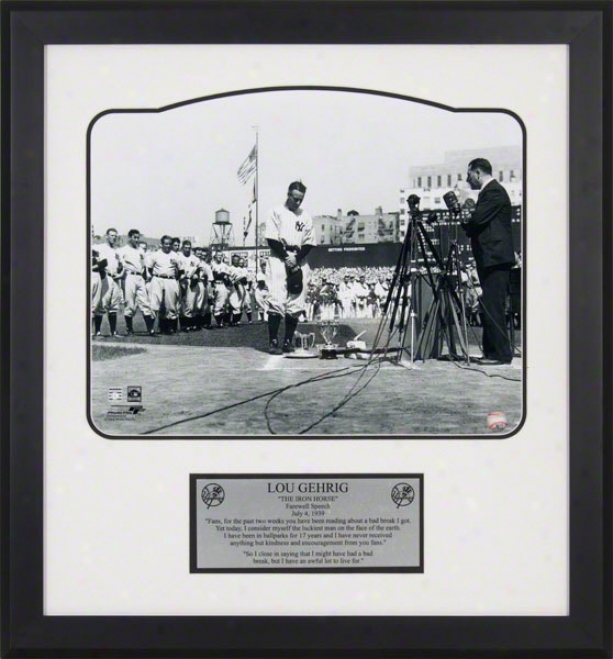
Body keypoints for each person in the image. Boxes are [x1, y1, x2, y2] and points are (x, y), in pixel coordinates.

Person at [461, 158, 515, 364]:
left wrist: (466, 214)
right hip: (491, 258)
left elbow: (476, 221)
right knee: (490, 304)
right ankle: (492, 352)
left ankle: (501, 354)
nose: (468, 179)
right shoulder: (491, 192)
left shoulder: (493, 192)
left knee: (493, 306)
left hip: (495, 258)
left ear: (478, 172)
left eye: (469, 174)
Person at [265, 180, 314, 354]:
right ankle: (273, 341)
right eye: (295, 199)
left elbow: (309, 243)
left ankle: (287, 341)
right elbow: (271, 239)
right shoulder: (276, 212)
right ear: (288, 194)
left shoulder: (305, 216)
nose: (298, 202)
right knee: (277, 299)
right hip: (279, 257)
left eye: (301, 199)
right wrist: (287, 258)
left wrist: (296, 259)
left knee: (296, 301)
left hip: (299, 257)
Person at [117, 229, 156, 336]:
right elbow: (120, 264)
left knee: (144, 301)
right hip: (129, 276)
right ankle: (129, 328)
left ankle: (150, 329)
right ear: (129, 237)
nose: (136, 239)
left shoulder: (140, 251)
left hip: (140, 276)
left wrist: (146, 276)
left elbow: (144, 266)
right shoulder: (123, 250)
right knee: (130, 302)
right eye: (134, 237)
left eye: (138, 237)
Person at [145, 235, 181, 334]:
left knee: (170, 304)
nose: (168, 246)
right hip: (158, 278)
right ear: (161, 244)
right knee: (155, 303)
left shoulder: (175, 255)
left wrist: (175, 278)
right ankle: (151, 328)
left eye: (169, 244)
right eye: (166, 244)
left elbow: (180, 270)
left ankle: (169, 328)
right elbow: (149, 268)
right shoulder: (155, 255)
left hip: (170, 279)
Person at [92, 228, 124, 337]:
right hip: (105, 277)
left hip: (116, 278)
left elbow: (121, 266)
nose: (113, 237)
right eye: (111, 235)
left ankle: (113, 331)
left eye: (115, 235)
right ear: (107, 236)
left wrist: (120, 268)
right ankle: (97, 331)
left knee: (114, 305)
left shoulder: (117, 250)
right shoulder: (99, 247)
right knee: (102, 303)